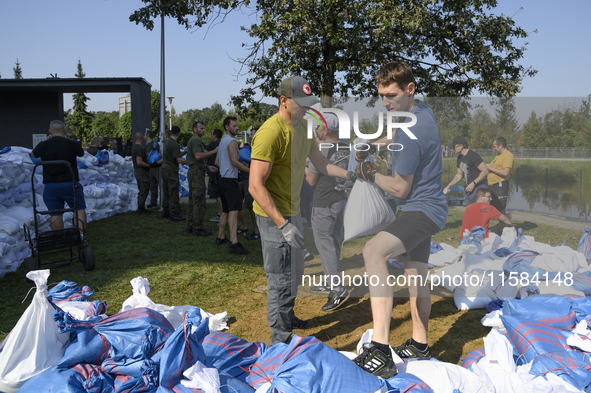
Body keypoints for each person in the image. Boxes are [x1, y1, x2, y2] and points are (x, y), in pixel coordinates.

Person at [352, 61, 448, 378]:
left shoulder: (411, 133)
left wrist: (369, 172)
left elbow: (400, 188)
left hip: (419, 210)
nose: (386, 103)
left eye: (391, 95)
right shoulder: (420, 112)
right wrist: (371, 143)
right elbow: (394, 133)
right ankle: (420, 343)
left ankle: (380, 349)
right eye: (381, 96)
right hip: (430, 208)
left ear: (410, 89)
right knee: (415, 274)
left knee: (373, 252)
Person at [249, 76, 349, 346]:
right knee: (279, 278)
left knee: (295, 271)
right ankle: (279, 342)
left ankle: (288, 316)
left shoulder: (303, 126)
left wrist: (351, 175)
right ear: (283, 101)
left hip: (293, 213)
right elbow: (255, 186)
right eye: (302, 103)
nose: (307, 109)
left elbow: (321, 163)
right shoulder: (269, 133)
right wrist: (283, 224)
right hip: (273, 217)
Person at [304, 113, 351, 312]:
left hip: (323, 201)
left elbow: (311, 181)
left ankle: (337, 288)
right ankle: (331, 280)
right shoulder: (347, 147)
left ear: (325, 130)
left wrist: (306, 164)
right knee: (333, 243)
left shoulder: (320, 149)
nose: (315, 131)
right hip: (341, 199)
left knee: (325, 245)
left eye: (317, 128)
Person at [30, 120, 87, 233]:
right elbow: (81, 153)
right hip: (71, 183)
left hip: (51, 185)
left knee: (55, 213)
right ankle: (80, 236)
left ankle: (58, 238)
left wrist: (47, 141)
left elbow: (33, 155)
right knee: (78, 209)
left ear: (50, 131)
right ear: (65, 131)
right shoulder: (72, 144)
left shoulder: (43, 145)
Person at [215, 116, 250, 255]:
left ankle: (221, 236)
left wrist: (226, 167)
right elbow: (235, 162)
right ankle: (234, 241)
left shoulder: (223, 141)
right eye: (234, 126)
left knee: (225, 210)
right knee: (234, 211)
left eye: (237, 126)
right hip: (230, 180)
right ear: (226, 127)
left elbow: (217, 162)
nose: (236, 128)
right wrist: (251, 170)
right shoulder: (232, 141)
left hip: (222, 178)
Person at [186, 121, 217, 237]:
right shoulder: (196, 140)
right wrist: (214, 151)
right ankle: (197, 228)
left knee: (192, 200)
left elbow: (196, 159)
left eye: (204, 128)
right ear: (195, 129)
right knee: (199, 201)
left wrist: (207, 166)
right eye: (201, 128)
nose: (204, 130)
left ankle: (190, 225)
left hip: (195, 171)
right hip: (196, 174)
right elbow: (198, 156)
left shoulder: (194, 140)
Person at [443, 136, 489, 205]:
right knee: (470, 212)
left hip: (479, 188)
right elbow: (459, 175)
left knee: (479, 213)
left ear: (461, 146)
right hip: (469, 190)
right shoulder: (459, 158)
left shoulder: (473, 156)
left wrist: (473, 183)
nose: (453, 149)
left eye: (454, 146)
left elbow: (485, 171)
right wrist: (449, 186)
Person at [238, 127, 261, 241]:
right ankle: (243, 227)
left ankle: (257, 231)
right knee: (238, 205)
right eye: (250, 134)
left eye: (252, 134)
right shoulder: (246, 150)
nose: (250, 136)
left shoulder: (260, 149)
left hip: (252, 181)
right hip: (242, 179)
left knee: (252, 207)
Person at [161, 126, 187, 221]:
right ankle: (174, 213)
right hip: (171, 170)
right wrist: (190, 162)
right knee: (173, 192)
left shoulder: (167, 142)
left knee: (166, 191)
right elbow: (179, 159)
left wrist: (186, 151)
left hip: (164, 169)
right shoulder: (175, 145)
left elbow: (176, 153)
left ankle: (165, 211)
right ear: (179, 134)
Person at [131, 132, 160, 215]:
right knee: (144, 190)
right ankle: (141, 208)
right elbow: (139, 162)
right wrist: (149, 165)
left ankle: (141, 207)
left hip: (138, 171)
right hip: (142, 172)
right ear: (142, 139)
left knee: (142, 190)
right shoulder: (139, 149)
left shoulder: (134, 147)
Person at [486, 137, 514, 214]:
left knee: (500, 208)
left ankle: (505, 224)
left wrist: (491, 168)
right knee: (490, 207)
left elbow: (505, 172)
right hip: (492, 186)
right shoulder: (498, 156)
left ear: (500, 145)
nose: (493, 148)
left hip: (500, 186)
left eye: (494, 146)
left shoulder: (508, 155)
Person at [206, 129, 223, 222]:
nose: (211, 136)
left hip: (214, 171)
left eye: (211, 134)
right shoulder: (222, 143)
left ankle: (222, 214)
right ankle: (220, 213)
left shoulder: (212, 144)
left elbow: (203, 153)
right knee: (219, 193)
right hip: (220, 171)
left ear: (214, 135)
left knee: (217, 194)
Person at [144, 131, 160, 208]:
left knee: (160, 184)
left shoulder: (154, 144)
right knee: (152, 186)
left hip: (156, 167)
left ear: (147, 135)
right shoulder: (147, 146)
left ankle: (164, 202)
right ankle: (153, 202)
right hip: (150, 167)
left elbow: (153, 154)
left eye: (145, 134)